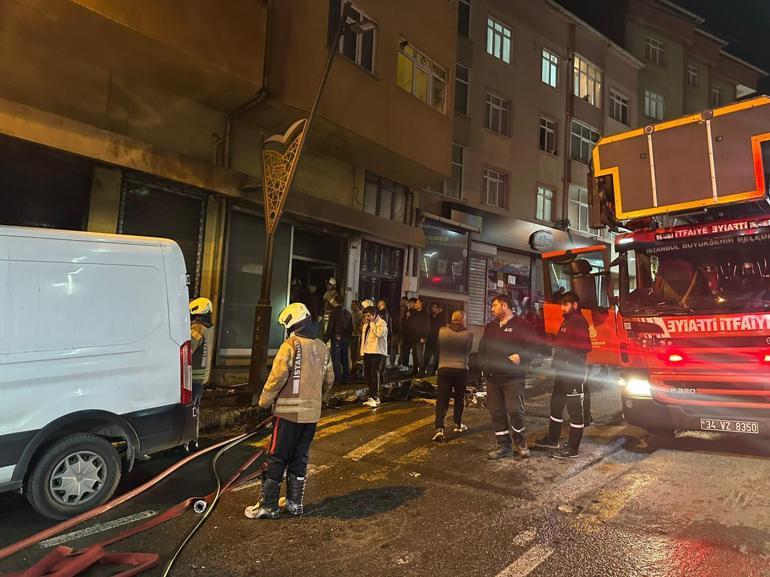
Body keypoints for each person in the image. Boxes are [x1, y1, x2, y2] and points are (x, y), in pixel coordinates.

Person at [245, 302, 334, 519]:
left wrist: (264, 402)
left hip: (287, 416)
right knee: (299, 457)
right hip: (311, 416)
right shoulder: (322, 347)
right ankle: (295, 504)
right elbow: (329, 380)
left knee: (276, 457)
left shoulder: (291, 345)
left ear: (291, 323)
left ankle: (269, 505)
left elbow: (276, 378)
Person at [478, 294, 539, 459]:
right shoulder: (490, 326)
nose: (492, 309)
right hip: (492, 378)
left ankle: (520, 443)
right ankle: (503, 445)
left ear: (504, 306)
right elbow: (482, 348)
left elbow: (535, 347)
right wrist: (483, 367)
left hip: (513, 377)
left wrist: (522, 357)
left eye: (495, 305)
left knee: (515, 411)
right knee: (496, 412)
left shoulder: (522, 325)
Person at [535, 292, 592, 458]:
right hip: (561, 370)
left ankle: (573, 448)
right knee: (556, 404)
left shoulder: (579, 321)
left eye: (565, 305)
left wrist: (566, 351)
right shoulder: (568, 321)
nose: (562, 307)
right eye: (562, 304)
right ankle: (553, 439)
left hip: (573, 371)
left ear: (575, 305)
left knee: (575, 409)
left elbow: (586, 346)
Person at [432, 310, 473, 442]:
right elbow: (468, 350)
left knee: (442, 398)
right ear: (463, 320)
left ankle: (439, 429)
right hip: (461, 369)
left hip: (444, 368)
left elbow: (438, 348)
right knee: (459, 397)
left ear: (452, 318)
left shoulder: (442, 331)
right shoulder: (468, 334)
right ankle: (458, 424)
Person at [360, 304, 388, 407]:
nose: (367, 318)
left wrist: (372, 323)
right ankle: (372, 396)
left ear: (374, 314)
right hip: (368, 351)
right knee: (367, 374)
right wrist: (362, 352)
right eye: (366, 316)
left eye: (369, 315)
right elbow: (364, 339)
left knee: (374, 374)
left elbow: (379, 334)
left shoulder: (382, 323)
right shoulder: (366, 324)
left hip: (377, 352)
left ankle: (375, 397)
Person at [325, 295, 353, 384]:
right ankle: (346, 377)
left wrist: (325, 339)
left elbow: (330, 327)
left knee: (336, 359)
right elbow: (351, 327)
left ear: (334, 301)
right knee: (344, 358)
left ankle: (338, 378)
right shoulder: (347, 313)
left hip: (337, 338)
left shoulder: (334, 313)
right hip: (346, 339)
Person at [402, 297, 429, 375]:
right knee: (414, 354)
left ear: (420, 304)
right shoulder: (413, 312)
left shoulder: (424, 313)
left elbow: (426, 326)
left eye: (416, 303)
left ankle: (422, 370)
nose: (415, 305)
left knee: (419, 355)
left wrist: (424, 337)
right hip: (413, 337)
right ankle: (415, 370)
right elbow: (408, 324)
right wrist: (407, 317)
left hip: (420, 338)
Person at [424, 302, 447, 375]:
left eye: (434, 307)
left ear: (438, 309)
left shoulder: (441, 317)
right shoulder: (430, 316)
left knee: (436, 356)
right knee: (427, 354)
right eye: (432, 307)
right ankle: (424, 369)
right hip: (430, 339)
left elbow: (443, 328)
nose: (432, 308)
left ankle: (435, 371)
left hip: (437, 340)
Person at [376, 299, 393, 365]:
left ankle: (380, 371)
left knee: (381, 354)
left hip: (383, 336)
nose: (377, 304)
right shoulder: (385, 313)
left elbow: (383, 326)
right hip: (386, 336)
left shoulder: (383, 314)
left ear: (382, 304)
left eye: (379, 303)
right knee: (382, 353)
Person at [350, 300, 363, 370]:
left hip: (357, 335)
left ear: (357, 305)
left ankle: (356, 367)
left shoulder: (360, 314)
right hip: (352, 335)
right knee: (352, 352)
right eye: (351, 305)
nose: (352, 306)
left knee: (356, 353)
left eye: (353, 305)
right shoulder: (351, 313)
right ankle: (353, 366)